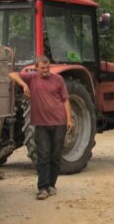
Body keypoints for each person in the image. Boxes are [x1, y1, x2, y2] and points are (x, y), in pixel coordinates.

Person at [9, 55, 72, 200]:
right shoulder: (32, 78)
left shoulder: (58, 79)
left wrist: (69, 120)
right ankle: (42, 188)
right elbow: (11, 74)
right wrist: (24, 85)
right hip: (41, 124)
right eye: (43, 68)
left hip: (59, 123)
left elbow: (65, 100)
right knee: (43, 156)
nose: (46, 70)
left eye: (47, 67)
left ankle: (51, 185)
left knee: (55, 156)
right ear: (36, 68)